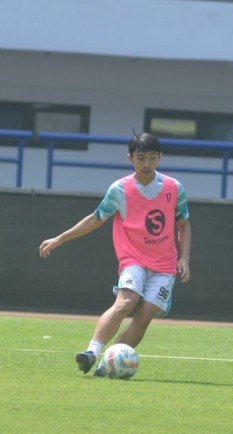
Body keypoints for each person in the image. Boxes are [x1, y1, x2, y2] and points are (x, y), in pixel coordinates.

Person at [38, 132, 192, 376]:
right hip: (133, 260)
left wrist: (184, 258)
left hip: (165, 266)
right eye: (141, 158)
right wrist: (60, 239)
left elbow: (183, 224)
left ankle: (106, 365)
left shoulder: (174, 188)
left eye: (152, 158)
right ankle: (91, 351)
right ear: (130, 158)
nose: (147, 164)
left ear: (160, 157)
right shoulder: (120, 189)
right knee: (125, 303)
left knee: (144, 317)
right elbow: (96, 218)